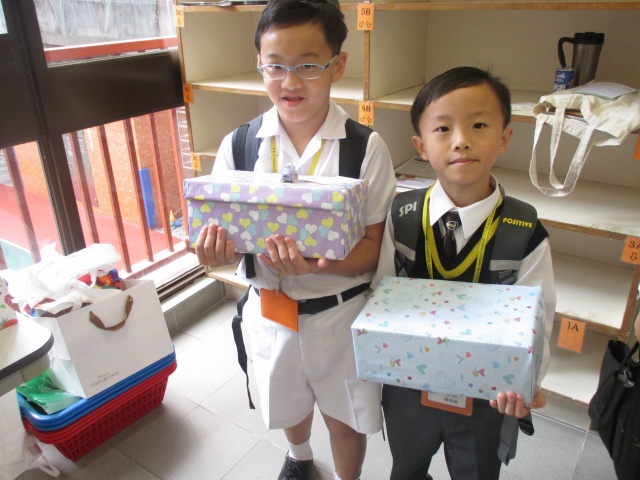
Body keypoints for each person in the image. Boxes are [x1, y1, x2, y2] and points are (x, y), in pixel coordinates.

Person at [188, 1, 396, 479]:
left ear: (337, 65)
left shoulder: (365, 148)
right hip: (270, 311)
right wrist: (214, 253)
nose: (289, 81)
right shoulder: (240, 146)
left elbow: (372, 249)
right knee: (286, 403)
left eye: (307, 65)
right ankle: (299, 457)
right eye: (275, 66)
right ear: (259, 64)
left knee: (346, 419)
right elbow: (224, 236)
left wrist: (319, 265)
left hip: (341, 315)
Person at [375, 66, 556, 480]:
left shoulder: (524, 231)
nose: (461, 140)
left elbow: (540, 317)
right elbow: (380, 295)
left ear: (504, 138)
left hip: (487, 395)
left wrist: (526, 381)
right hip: (408, 387)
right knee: (406, 467)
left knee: (476, 472)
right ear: (421, 145)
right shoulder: (402, 216)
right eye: (443, 128)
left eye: (478, 125)